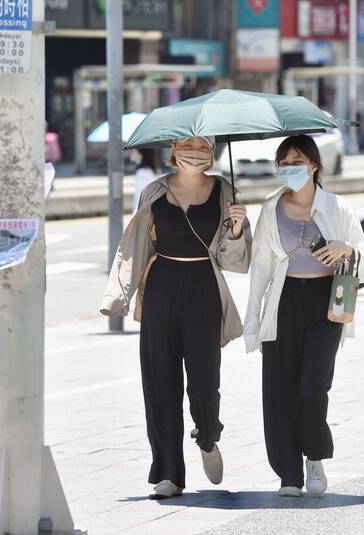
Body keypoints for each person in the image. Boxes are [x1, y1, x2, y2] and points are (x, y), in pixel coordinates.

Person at [100, 136, 251, 500]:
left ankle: (208, 437)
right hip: (160, 289)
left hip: (203, 289)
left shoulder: (225, 191)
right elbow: (134, 244)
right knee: (159, 383)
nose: (195, 155)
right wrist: (119, 294)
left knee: (203, 383)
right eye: (187, 148)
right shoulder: (154, 191)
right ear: (173, 152)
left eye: (203, 149)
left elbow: (235, 260)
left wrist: (235, 227)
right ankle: (167, 473)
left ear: (213, 154)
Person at [244, 135, 364, 497]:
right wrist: (252, 322)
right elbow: (261, 269)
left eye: (297, 162)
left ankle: (314, 457)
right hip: (284, 302)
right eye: (283, 163)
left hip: (326, 303)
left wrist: (346, 249)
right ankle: (288, 473)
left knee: (314, 386)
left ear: (314, 165)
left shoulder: (337, 208)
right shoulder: (271, 209)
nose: (290, 169)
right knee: (279, 388)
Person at [133, 148, 159, 214]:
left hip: (144, 215)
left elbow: (141, 198)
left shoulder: (143, 172)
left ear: (142, 155)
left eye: (136, 152)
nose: (133, 156)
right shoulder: (151, 171)